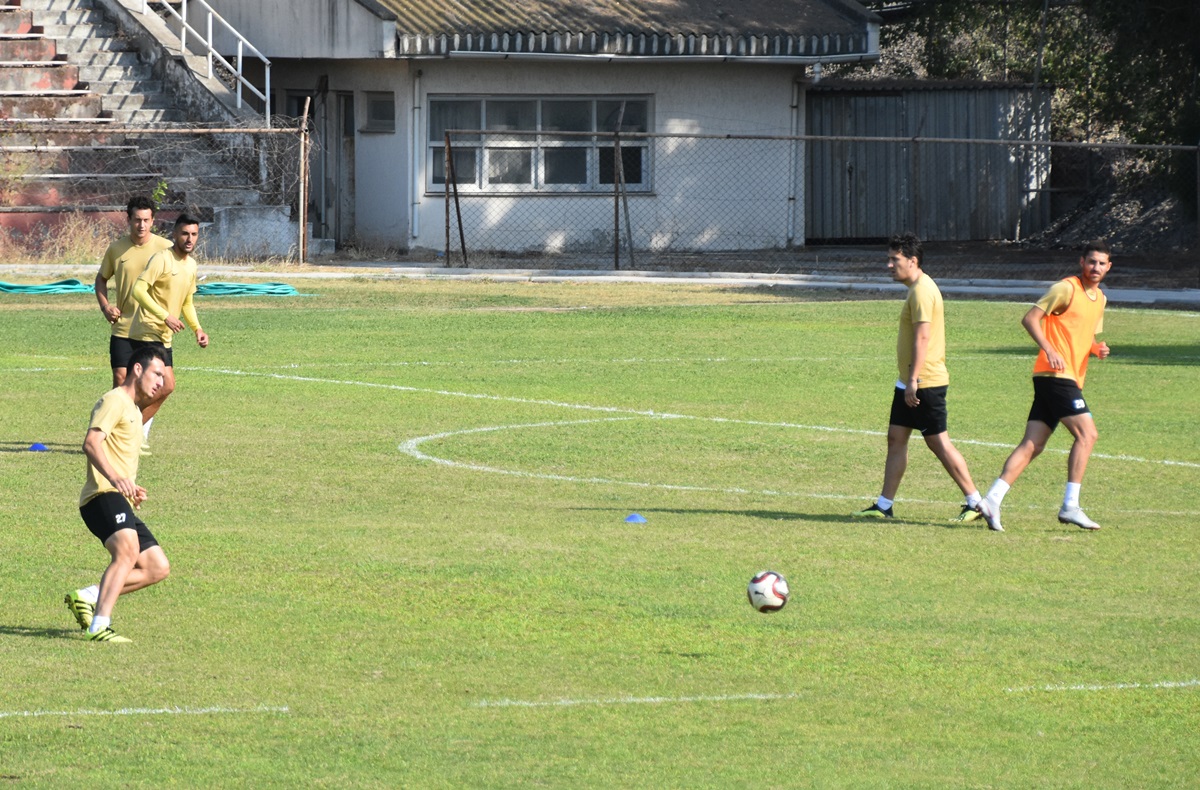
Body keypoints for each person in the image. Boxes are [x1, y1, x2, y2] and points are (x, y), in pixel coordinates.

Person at [977, 241, 1113, 532]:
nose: (1096, 268)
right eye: (1091, 262)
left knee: (1033, 444)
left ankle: (992, 499)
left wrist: (1095, 349)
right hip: (1056, 377)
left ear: (1108, 267)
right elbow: (1030, 318)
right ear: (1081, 262)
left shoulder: (1100, 298)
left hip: (1061, 378)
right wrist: (1048, 349)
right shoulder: (1066, 289)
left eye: (1101, 263)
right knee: (1088, 435)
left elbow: (1081, 334)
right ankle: (1070, 506)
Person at [852, 232, 985, 523]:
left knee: (939, 443)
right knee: (896, 438)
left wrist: (913, 380)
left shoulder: (923, 291)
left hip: (924, 382)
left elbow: (923, 337)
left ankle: (976, 503)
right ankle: (884, 505)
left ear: (912, 261)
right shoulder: (916, 289)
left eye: (894, 259)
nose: (889, 265)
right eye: (889, 259)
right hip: (910, 381)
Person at [64, 345, 171, 642]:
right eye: (156, 373)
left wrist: (131, 487)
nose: (161, 382)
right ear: (137, 369)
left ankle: (87, 596)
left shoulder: (135, 411)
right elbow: (91, 443)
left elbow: (118, 455)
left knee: (156, 567)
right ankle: (99, 625)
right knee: (126, 552)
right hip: (101, 495)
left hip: (118, 497)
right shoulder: (114, 400)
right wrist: (116, 478)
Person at [126, 212, 210, 451]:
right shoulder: (162, 259)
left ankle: (129, 433)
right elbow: (139, 291)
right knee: (166, 386)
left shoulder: (191, 265)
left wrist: (197, 329)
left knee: (154, 390)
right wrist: (165, 316)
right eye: (184, 233)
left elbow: (186, 302)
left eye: (194, 234)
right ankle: (127, 433)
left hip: (164, 337)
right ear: (174, 234)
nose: (189, 239)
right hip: (146, 332)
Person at [94, 196, 174, 392]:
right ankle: (118, 422)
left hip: (154, 327)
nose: (141, 225)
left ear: (153, 221)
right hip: (124, 327)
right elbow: (101, 279)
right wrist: (106, 307)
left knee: (162, 385)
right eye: (137, 220)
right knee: (121, 380)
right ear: (129, 219)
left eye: (146, 220)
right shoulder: (116, 249)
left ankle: (140, 423)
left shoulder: (166, 249)